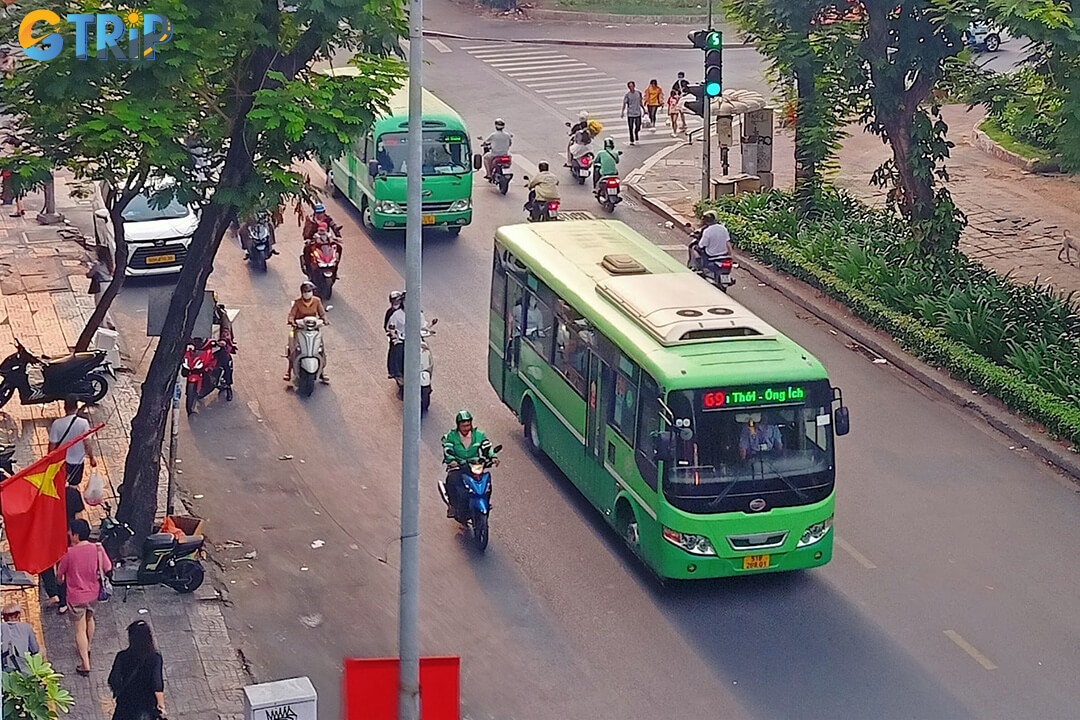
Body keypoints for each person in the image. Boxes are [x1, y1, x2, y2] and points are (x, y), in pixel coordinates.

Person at [57, 518, 111, 676]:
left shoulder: (69, 553)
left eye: (70, 532)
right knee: (90, 618)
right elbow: (107, 567)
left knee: (79, 629)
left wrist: (61, 581)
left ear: (76, 535)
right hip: (93, 593)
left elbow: (59, 575)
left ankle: (85, 664)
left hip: (76, 596)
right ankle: (87, 647)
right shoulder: (97, 548)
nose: (69, 534)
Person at [441, 410, 497, 519]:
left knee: (487, 484)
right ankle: (453, 507)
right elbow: (448, 449)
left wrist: (493, 457)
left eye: (468, 425)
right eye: (464, 425)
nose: (466, 428)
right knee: (452, 481)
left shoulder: (478, 435)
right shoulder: (451, 436)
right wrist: (452, 460)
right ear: (458, 425)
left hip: (474, 466)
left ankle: (486, 502)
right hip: (458, 467)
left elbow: (487, 447)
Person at [108, 620, 165, 720]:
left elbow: (113, 679)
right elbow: (157, 684)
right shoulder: (155, 658)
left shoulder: (122, 656)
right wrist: (161, 706)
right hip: (146, 707)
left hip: (125, 704)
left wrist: (119, 692)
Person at [284, 281, 329, 384]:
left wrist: (325, 320)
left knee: (321, 350)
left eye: (309, 291)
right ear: (302, 292)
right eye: (305, 291)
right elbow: (292, 314)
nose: (307, 293)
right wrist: (291, 321)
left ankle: (322, 371)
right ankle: (289, 371)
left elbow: (322, 313)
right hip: (299, 329)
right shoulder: (297, 303)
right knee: (294, 350)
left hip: (314, 329)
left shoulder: (317, 301)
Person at [49, 399, 95, 488]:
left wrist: (50, 462)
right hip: (78, 461)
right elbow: (87, 444)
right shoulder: (84, 423)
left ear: (64, 408)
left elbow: (52, 446)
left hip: (62, 461)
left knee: (60, 484)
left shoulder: (57, 424)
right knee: (74, 484)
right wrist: (91, 458)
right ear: (76, 408)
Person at [1, 603, 41, 674]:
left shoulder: (1, 627)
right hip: (23, 667)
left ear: (4, 617)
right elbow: (35, 649)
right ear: (18, 615)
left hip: (4, 668)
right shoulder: (26, 627)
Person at [384, 290, 404, 378]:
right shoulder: (390, 312)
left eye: (398, 300)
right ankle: (392, 371)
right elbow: (386, 326)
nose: (397, 302)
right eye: (395, 300)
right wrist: (392, 334)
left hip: (405, 335)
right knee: (393, 351)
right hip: (395, 336)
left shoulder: (403, 311)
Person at [620, 81, 645, 145]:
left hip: (637, 112)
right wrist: (622, 112)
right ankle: (632, 140)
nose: (631, 88)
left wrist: (644, 109)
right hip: (630, 113)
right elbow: (624, 104)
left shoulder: (638, 93)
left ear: (634, 86)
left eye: (632, 86)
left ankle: (636, 134)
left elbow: (640, 102)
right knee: (630, 127)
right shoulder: (627, 95)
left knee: (638, 126)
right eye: (630, 86)